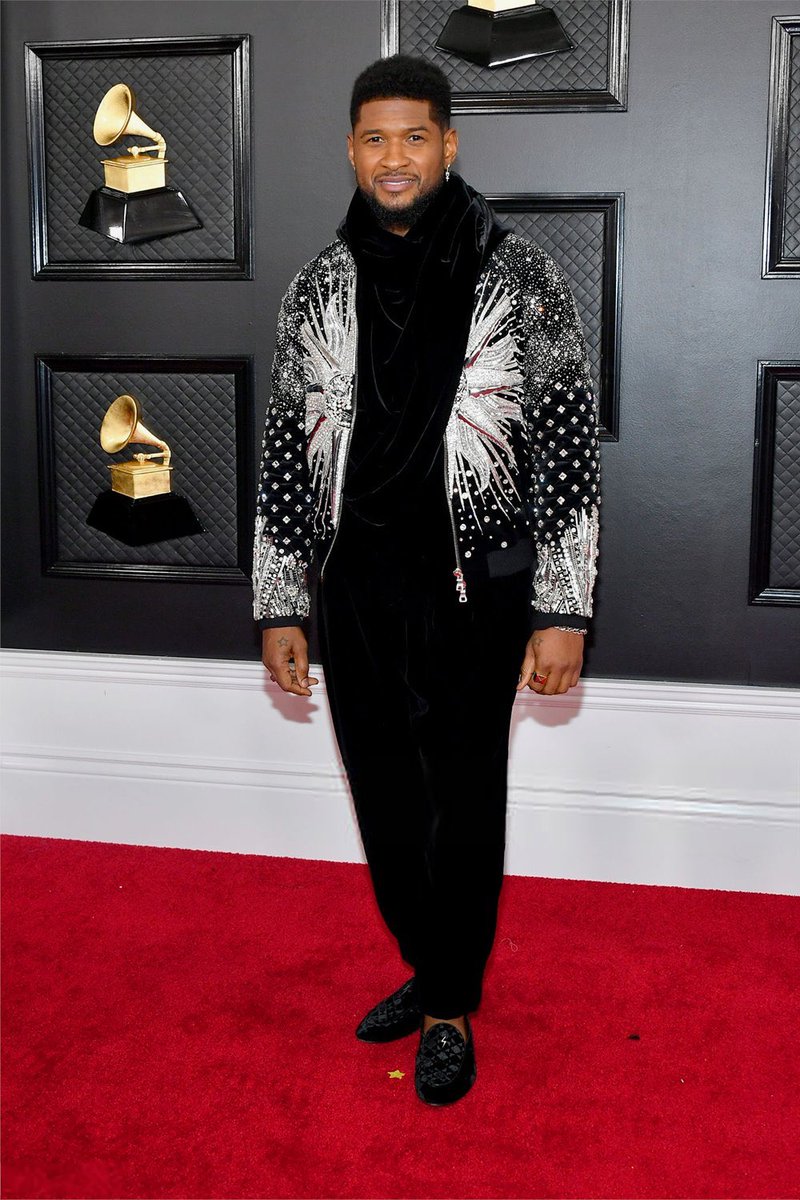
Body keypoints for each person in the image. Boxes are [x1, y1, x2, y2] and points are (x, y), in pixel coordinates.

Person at [253, 54, 601, 1106]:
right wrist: (280, 601)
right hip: (353, 588)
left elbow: (566, 450)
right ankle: (427, 956)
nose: (394, 157)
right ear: (352, 151)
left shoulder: (520, 275)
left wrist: (563, 609)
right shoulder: (316, 285)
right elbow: (283, 454)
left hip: (474, 591)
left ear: (448, 145)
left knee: (462, 796)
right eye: (375, 138)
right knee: (383, 793)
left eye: (414, 136)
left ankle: (449, 1001)